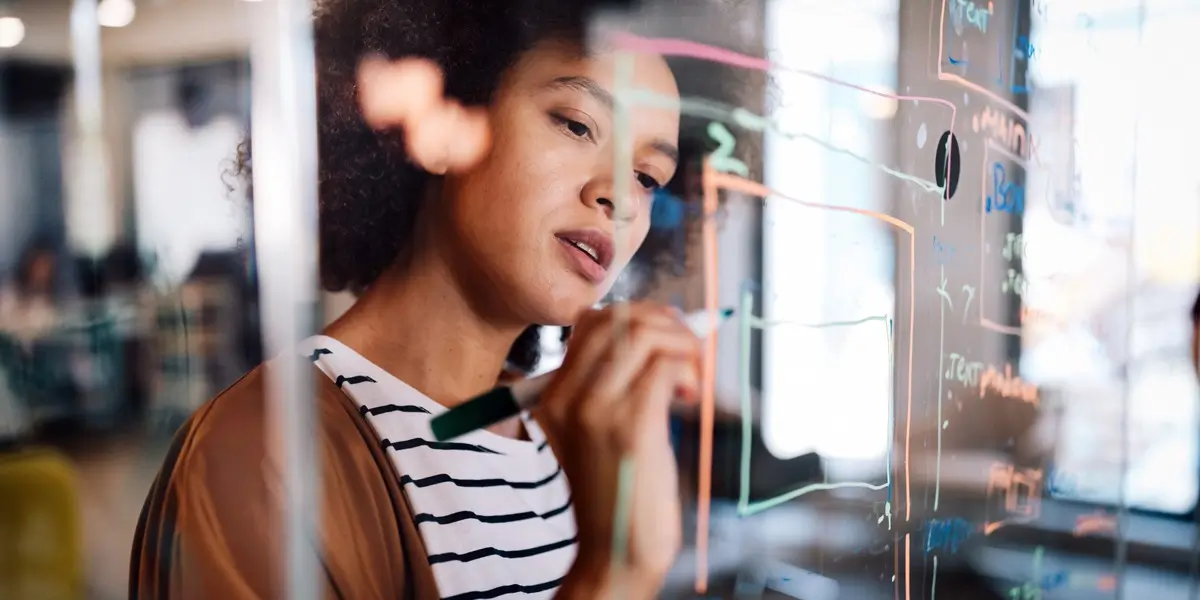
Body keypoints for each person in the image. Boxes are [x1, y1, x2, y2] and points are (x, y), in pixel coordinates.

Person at [130, 2, 701, 599]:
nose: (622, 199)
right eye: (577, 125)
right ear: (444, 123)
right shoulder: (260, 454)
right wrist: (615, 576)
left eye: (648, 177)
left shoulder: (567, 442)